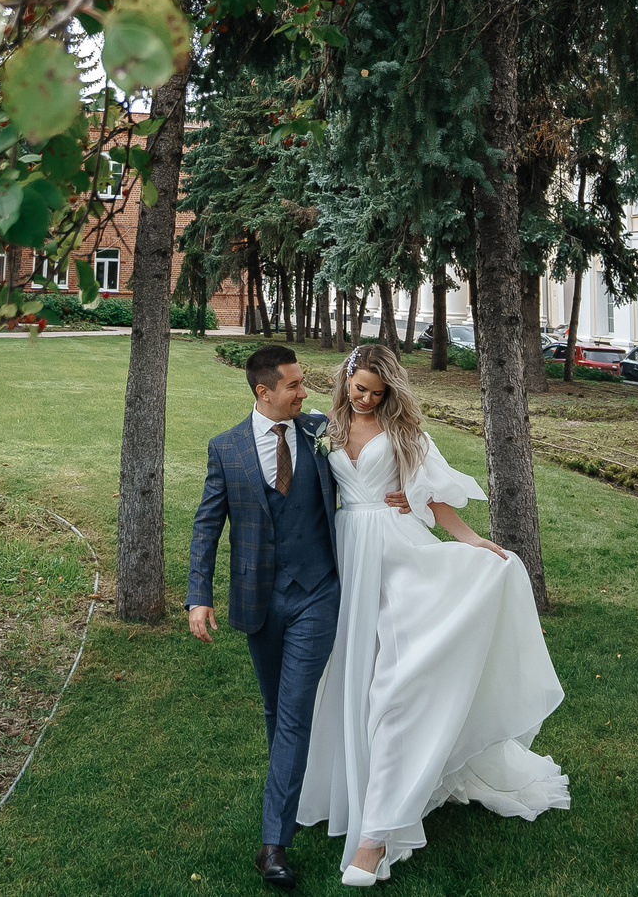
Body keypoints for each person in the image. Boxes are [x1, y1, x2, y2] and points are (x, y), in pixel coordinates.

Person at [299, 343, 568, 887]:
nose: (368, 400)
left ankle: (376, 837)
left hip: (399, 557)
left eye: (378, 392)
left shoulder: (406, 435)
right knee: (354, 676)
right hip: (347, 557)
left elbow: (437, 501)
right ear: (346, 381)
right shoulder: (322, 428)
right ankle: (346, 791)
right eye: (360, 390)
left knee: (396, 688)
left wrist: (473, 541)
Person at [187, 345, 412, 889]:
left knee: (292, 712)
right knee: (274, 712)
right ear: (263, 391)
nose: (303, 391)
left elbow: (383, 420)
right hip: (258, 602)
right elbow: (206, 524)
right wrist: (199, 595)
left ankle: (273, 846)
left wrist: (407, 497)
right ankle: (290, 793)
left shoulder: (320, 432)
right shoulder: (228, 449)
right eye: (292, 384)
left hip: (317, 594)